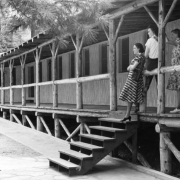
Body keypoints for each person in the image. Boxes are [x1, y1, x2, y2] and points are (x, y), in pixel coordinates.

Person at [134, 25, 159, 113]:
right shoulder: (159, 39)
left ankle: (138, 106)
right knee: (159, 86)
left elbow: (146, 55)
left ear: (153, 31)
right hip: (159, 63)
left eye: (149, 31)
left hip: (150, 64)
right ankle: (160, 107)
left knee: (145, 86)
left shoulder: (150, 40)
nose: (148, 33)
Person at [119, 43, 145, 121]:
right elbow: (129, 68)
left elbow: (132, 67)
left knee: (129, 95)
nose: (133, 50)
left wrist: (130, 66)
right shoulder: (139, 57)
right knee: (130, 96)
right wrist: (130, 67)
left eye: (134, 48)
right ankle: (129, 113)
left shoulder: (139, 57)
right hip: (132, 78)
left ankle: (128, 115)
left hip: (133, 79)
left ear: (139, 49)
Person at [166, 29, 180, 113]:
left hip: (178, 68)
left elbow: (168, 41)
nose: (171, 36)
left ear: (176, 34)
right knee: (178, 89)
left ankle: (178, 107)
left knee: (178, 88)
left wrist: (162, 34)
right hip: (176, 68)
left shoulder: (178, 41)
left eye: (172, 34)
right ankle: (178, 107)